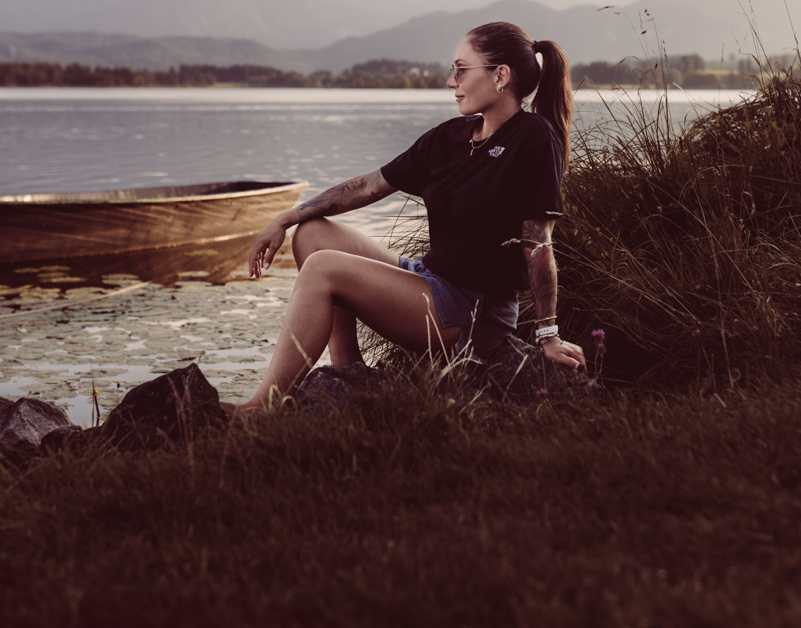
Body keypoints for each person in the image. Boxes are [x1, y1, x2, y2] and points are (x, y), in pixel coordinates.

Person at [229, 21, 586, 415]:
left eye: (462, 69)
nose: (452, 81)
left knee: (322, 269)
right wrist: (286, 217)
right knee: (311, 235)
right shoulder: (451, 136)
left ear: (501, 75)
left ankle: (260, 409)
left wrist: (548, 334)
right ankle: (347, 369)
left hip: (473, 311)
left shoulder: (533, 136)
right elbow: (369, 186)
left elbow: (538, 242)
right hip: (431, 281)